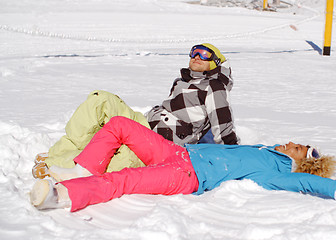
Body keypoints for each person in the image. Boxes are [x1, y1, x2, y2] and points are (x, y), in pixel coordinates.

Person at [30, 116, 336, 212]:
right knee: (119, 124)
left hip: (186, 175)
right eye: (295, 142)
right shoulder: (265, 151)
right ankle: (83, 171)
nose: (290, 143)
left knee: (125, 179)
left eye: (296, 148)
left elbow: (306, 184)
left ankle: (61, 196)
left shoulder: (276, 173)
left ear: (302, 163)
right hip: (179, 154)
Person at [33, 43, 240, 178]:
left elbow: (222, 125)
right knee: (101, 99)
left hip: (160, 143)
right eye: (194, 52)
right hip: (143, 124)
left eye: (204, 54)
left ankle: (57, 164)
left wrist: (236, 155)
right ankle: (60, 152)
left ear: (215, 63)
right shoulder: (181, 82)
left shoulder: (215, 87)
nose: (197, 56)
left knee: (119, 157)